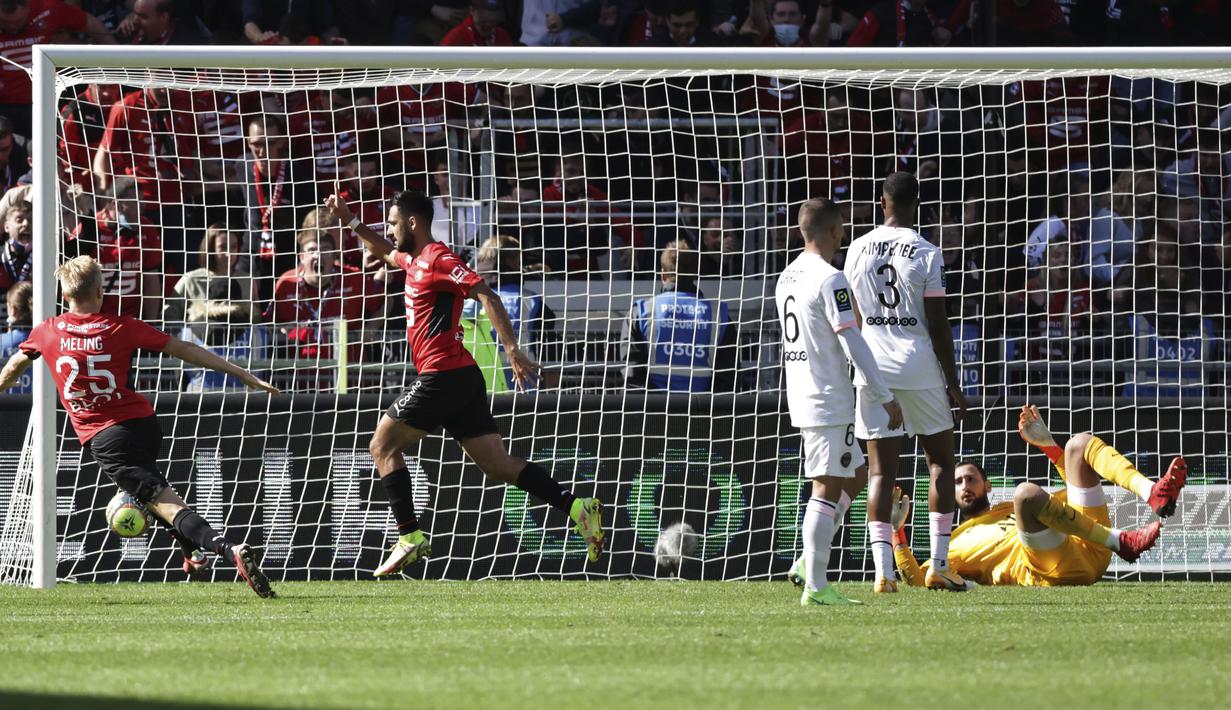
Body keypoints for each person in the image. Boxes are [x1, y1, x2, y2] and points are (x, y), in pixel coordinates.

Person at [322, 190, 605, 576]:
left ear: (413, 223)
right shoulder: (416, 260)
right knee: (497, 465)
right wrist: (351, 221)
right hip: (461, 377)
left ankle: (408, 536)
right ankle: (577, 507)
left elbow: (485, 292)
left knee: (381, 445)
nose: (388, 229)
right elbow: (389, 252)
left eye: (392, 222)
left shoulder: (439, 259)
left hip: (444, 374)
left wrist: (512, 349)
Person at [0, 255, 280, 596]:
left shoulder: (47, 331)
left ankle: (227, 548)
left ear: (64, 294)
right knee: (152, 494)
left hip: (106, 436)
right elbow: (185, 349)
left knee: (166, 503)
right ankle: (190, 548)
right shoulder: (122, 325)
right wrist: (242, 374)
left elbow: (15, 364)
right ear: (100, 292)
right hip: (144, 424)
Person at [843, 171, 970, 592]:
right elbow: (938, 324)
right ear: (918, 203)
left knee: (880, 473)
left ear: (883, 202)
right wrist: (952, 382)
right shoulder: (928, 252)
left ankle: (882, 574)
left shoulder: (856, 249)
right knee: (940, 463)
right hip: (917, 366)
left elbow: (853, 318)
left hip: (873, 367)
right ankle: (937, 565)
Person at [892, 405, 1186, 586]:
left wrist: (1048, 446)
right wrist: (897, 534)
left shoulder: (1006, 509)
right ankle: (1122, 540)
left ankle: (1152, 492)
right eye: (957, 482)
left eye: (970, 478)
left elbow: (1073, 489)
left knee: (1078, 444)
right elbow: (918, 581)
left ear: (988, 485)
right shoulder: (952, 545)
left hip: (1092, 549)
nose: (964, 485)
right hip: (1054, 570)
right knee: (1026, 493)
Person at [777, 198, 902, 606]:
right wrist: (883, 394)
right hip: (827, 396)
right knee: (825, 487)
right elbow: (853, 340)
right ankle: (815, 584)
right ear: (836, 231)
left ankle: (805, 565)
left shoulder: (786, 276)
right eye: (843, 228)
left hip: (804, 391)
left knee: (856, 473)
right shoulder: (830, 279)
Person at [625, 243, 738, 393]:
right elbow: (728, 379)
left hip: (653, 410)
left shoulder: (641, 311)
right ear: (695, 273)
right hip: (703, 410)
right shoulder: (719, 315)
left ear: (663, 275)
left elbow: (632, 376)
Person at [265, 229, 382, 361]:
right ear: (302, 257)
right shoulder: (286, 282)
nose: (318, 255)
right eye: (312, 250)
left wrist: (372, 327)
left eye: (325, 250)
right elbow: (268, 323)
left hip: (349, 371)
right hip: (300, 375)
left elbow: (387, 300)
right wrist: (282, 331)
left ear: (334, 256)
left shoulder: (352, 277)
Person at [472, 234, 555, 391]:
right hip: (523, 390)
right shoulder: (532, 301)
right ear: (512, 261)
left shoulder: (467, 302)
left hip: (478, 390)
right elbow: (551, 357)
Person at [0, 279, 30, 392]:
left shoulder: (2, 341)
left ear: (12, 310)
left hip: (7, 406)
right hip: (43, 404)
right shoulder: (45, 339)